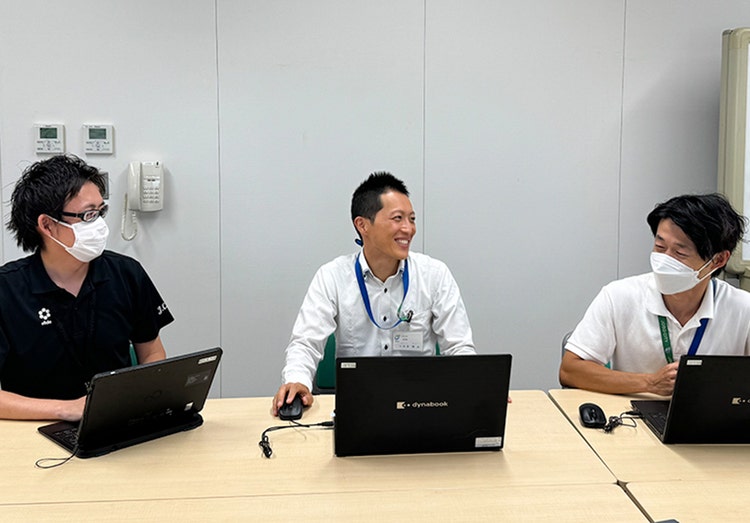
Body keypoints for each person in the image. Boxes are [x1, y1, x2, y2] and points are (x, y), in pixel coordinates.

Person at [273, 172, 476, 415]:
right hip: (359, 406)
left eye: (412, 219)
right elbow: (306, 343)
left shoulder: (434, 274)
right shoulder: (333, 276)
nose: (408, 229)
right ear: (362, 225)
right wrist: (298, 380)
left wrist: (476, 384)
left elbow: (459, 346)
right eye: (397, 218)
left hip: (421, 406)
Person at [0, 155, 173, 421]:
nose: (100, 225)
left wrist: (146, 400)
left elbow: (151, 352)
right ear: (47, 225)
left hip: (115, 422)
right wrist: (68, 409)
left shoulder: (126, 273)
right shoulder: (7, 289)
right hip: (34, 430)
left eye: (101, 212)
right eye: (88, 215)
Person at [560, 193, 750, 395]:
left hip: (712, 421)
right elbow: (570, 370)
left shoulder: (742, 308)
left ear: (718, 260)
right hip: (632, 418)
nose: (664, 261)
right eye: (660, 246)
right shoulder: (619, 296)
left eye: (680, 253)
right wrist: (649, 383)